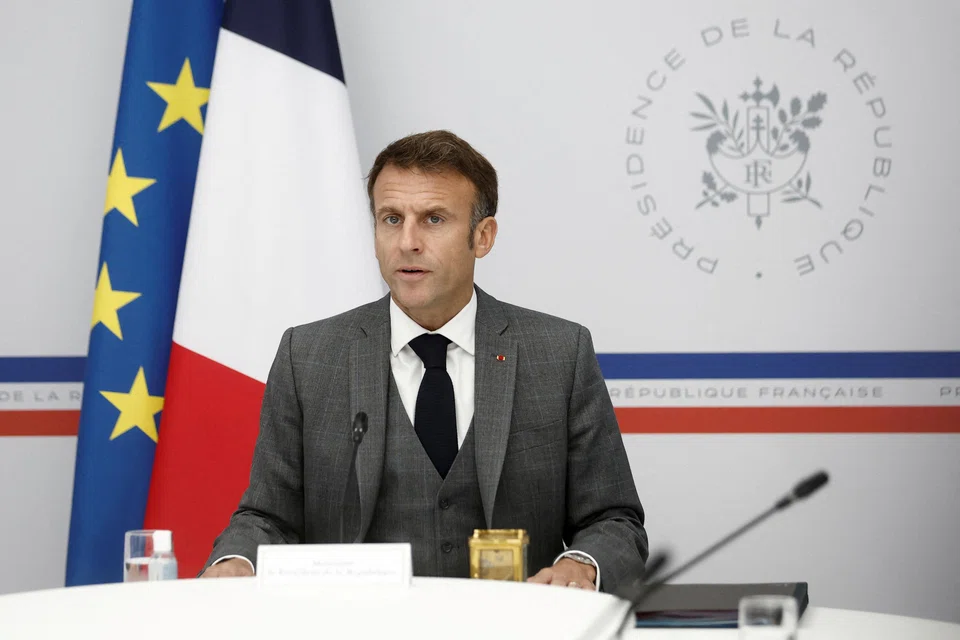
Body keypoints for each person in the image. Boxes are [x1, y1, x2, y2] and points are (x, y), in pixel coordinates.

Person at [200, 130, 648, 593]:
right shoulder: (309, 356)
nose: (407, 242)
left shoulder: (558, 353)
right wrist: (238, 561)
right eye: (391, 219)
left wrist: (582, 564)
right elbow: (267, 516)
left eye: (433, 219)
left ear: (483, 236)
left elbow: (614, 520)